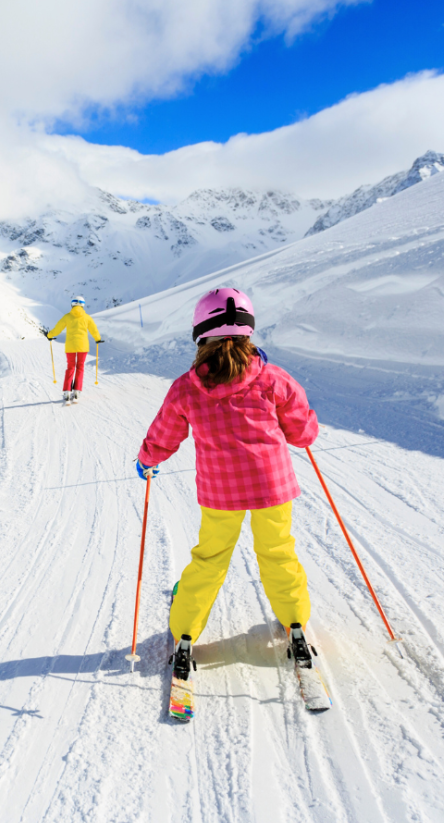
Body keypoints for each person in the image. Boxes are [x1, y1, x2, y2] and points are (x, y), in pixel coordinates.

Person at [134, 288, 319, 674]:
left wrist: (148, 458)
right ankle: (296, 624)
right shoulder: (272, 378)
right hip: (272, 488)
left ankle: (185, 633)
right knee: (278, 552)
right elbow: (302, 432)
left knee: (210, 559)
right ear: (248, 331)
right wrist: (302, 432)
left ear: (200, 333)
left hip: (221, 492)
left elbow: (166, 433)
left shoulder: (186, 386)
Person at [46, 296, 102, 403]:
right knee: (80, 367)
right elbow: (94, 330)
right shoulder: (87, 317)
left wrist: (50, 335)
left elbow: (58, 328)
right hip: (83, 346)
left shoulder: (67, 317)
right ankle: (77, 391)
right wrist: (98, 339)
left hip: (70, 346)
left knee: (70, 367)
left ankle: (67, 391)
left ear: (72, 305)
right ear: (82, 305)